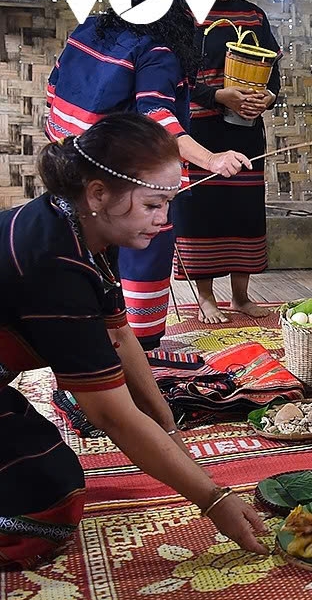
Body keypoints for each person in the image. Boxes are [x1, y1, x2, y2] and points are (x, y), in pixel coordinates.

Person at [1, 114, 268, 570]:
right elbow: (109, 414)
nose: (164, 220)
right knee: (46, 500)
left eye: (169, 204)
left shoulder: (81, 226)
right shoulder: (54, 259)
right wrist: (213, 499)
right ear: (98, 193)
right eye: (152, 205)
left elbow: (121, 338)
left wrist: (169, 428)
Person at [46, 0, 251, 349]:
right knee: (142, 256)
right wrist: (212, 159)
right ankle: (140, 355)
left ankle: (85, 351)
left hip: (73, 175)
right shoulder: (157, 50)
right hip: (127, 180)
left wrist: (66, 146)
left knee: (84, 262)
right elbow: (157, 116)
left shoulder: (89, 30)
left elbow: (54, 92)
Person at [173, 0, 282, 324]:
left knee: (244, 211)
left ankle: (241, 296)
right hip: (198, 135)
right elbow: (175, 80)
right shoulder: (183, 18)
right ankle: (205, 298)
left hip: (245, 132)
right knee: (202, 209)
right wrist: (219, 96)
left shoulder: (254, 17)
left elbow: (275, 77)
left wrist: (266, 100)